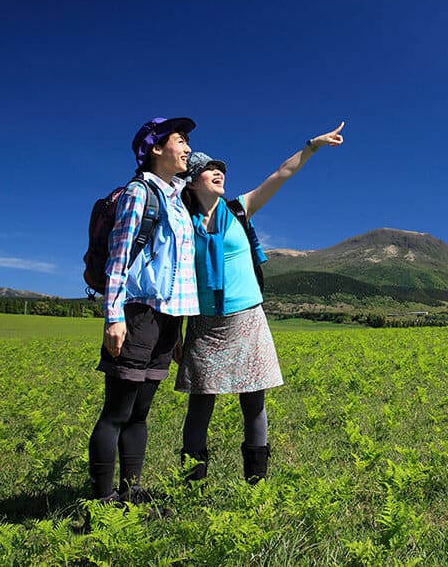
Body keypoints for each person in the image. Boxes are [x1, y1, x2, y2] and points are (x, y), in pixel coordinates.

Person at [175, 122, 344, 484]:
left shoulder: (240, 209)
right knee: (200, 404)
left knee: (253, 402)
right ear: (191, 182)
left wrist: (312, 145)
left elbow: (281, 174)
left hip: (247, 319)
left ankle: (257, 484)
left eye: (220, 168)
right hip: (205, 323)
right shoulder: (182, 223)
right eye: (208, 169)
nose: (218, 172)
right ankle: (192, 487)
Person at [87, 117, 201, 509]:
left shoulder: (177, 198)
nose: (187, 148)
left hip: (167, 319)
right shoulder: (140, 193)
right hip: (138, 314)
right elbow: (118, 260)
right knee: (117, 412)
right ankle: (102, 502)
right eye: (180, 140)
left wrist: (177, 330)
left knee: (140, 413)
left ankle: (130, 492)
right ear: (155, 148)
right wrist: (113, 316)